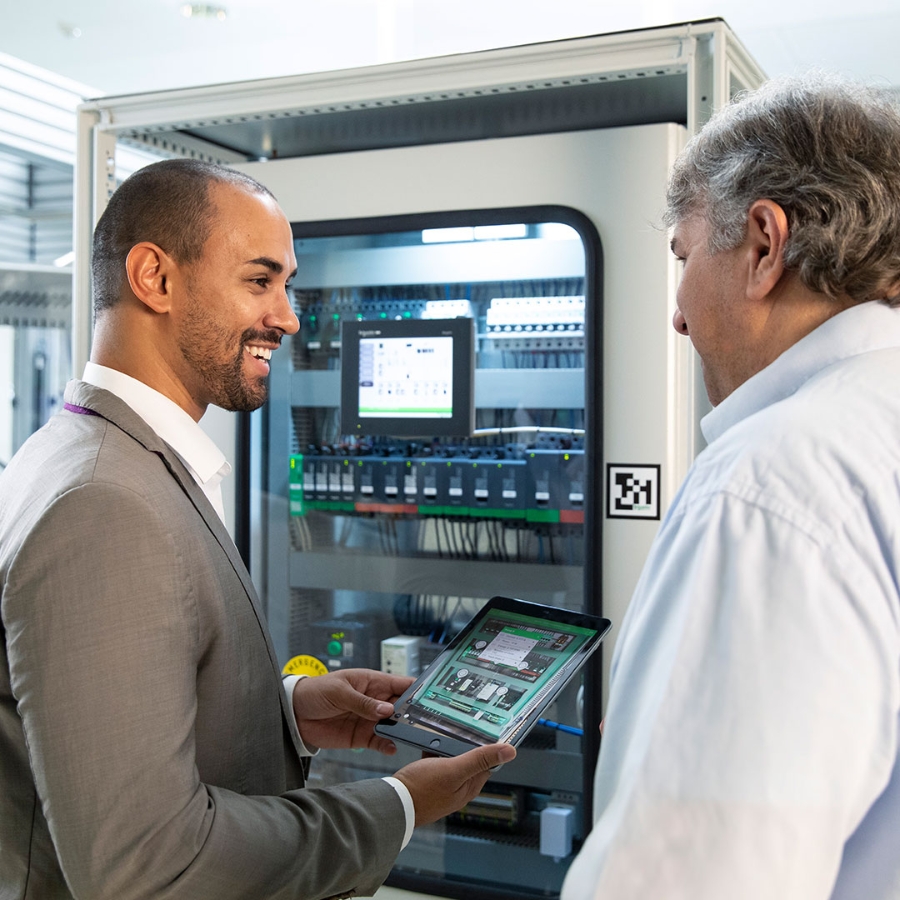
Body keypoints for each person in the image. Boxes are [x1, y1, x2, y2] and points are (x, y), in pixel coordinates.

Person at [0, 159, 515, 900]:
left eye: (289, 283)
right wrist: (400, 804)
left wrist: (287, 715)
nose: (289, 315)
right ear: (156, 278)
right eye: (259, 280)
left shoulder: (95, 454)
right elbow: (147, 868)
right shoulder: (102, 501)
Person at [562, 73, 900, 899]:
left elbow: (689, 877)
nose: (677, 313)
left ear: (762, 245)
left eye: (683, 254)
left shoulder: (772, 480)